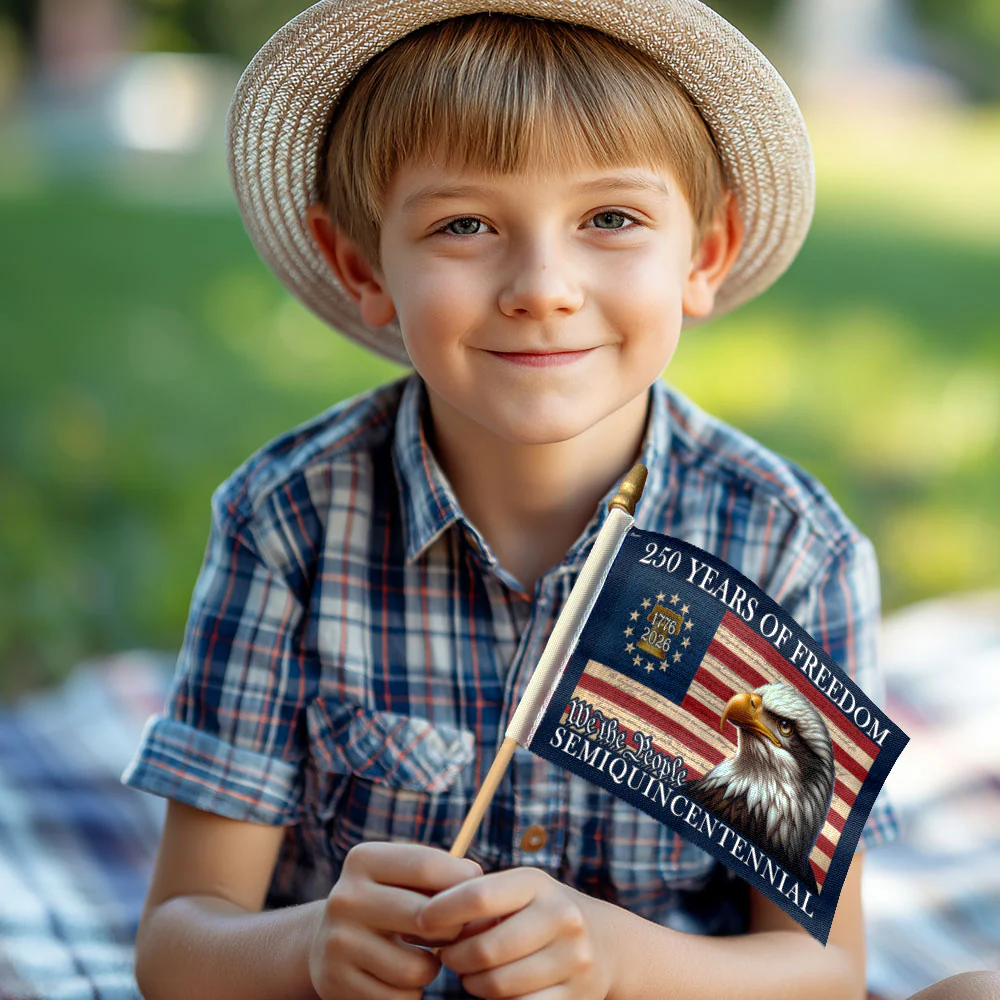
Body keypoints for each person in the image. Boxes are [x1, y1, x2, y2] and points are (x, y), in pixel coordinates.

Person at [121, 1, 901, 998]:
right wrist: (307, 947)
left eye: (609, 218)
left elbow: (823, 968)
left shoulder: (788, 551)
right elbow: (179, 945)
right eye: (465, 224)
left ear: (703, 254)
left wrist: (613, 956)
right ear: (362, 267)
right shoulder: (288, 523)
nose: (542, 285)